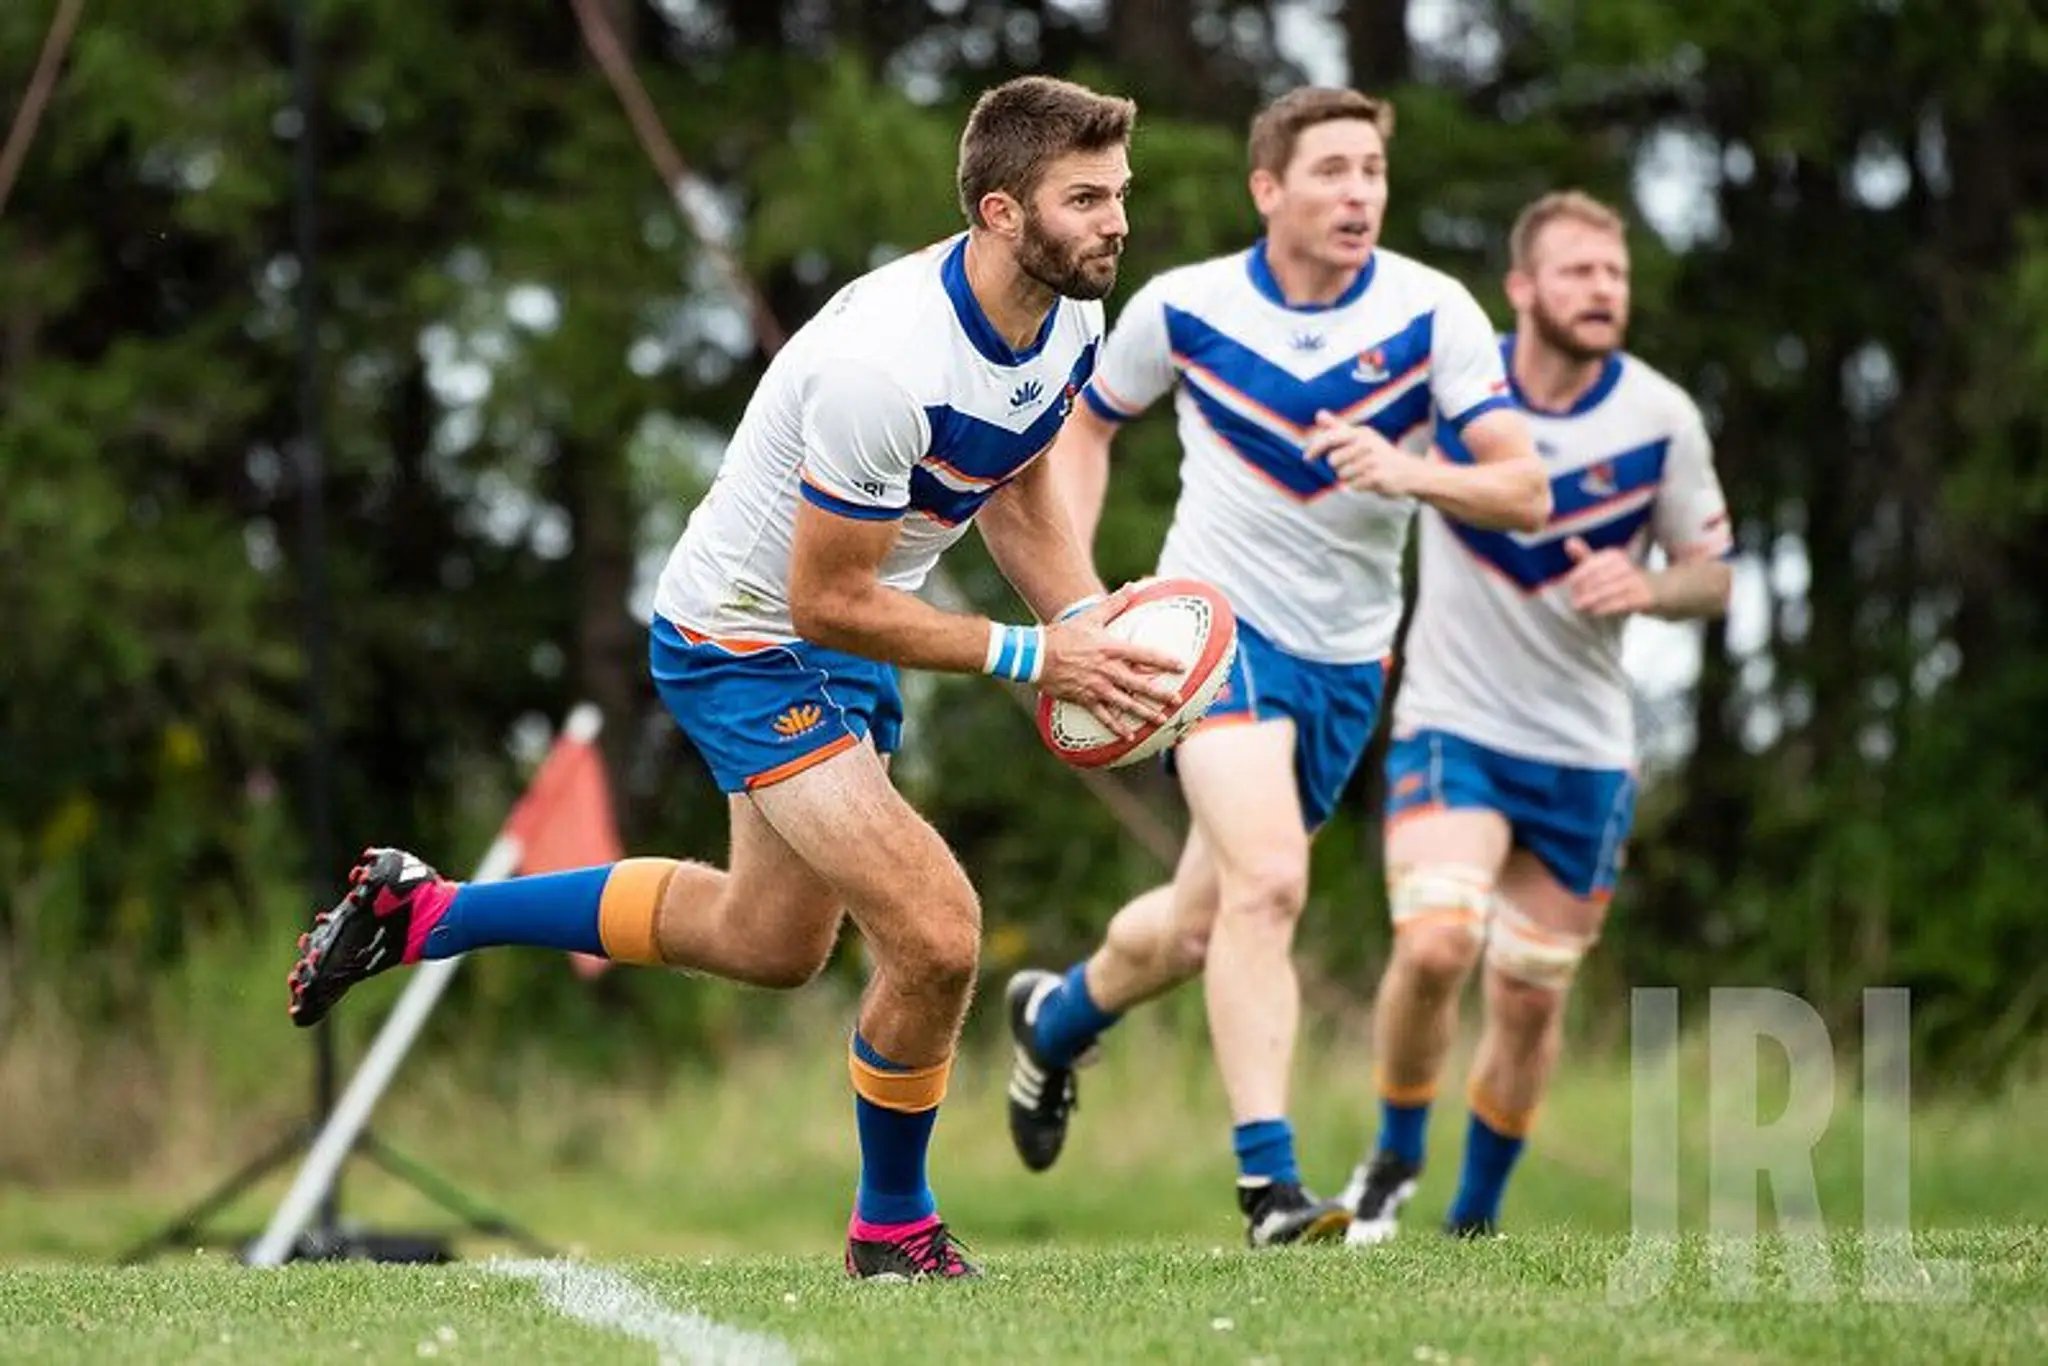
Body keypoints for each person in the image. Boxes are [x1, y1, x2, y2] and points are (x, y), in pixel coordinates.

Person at [284, 75, 1185, 1281]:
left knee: (769, 942)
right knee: (938, 933)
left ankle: (423, 911)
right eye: (1085, 198)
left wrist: (1083, 621)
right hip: (745, 640)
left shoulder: (1069, 314)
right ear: (999, 213)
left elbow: (1017, 484)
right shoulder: (883, 368)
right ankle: (892, 1231)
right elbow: (824, 600)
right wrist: (1032, 655)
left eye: (1118, 193)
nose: (1115, 220)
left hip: (851, 624)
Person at [1000, 86, 1550, 1248]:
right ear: (1267, 189)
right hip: (1212, 639)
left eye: (1372, 172)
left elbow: (1522, 487)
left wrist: (1414, 477)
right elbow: (1086, 428)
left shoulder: (1430, 312)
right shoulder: (1183, 305)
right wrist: (1082, 606)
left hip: (1348, 660)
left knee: (1200, 925)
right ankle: (1270, 1190)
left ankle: (1052, 1024)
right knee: (1269, 890)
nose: (1359, 194)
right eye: (1332, 171)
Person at [1340, 190, 1735, 1243]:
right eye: (1576, 273)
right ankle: (1392, 1157)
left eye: (1613, 275)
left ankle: (1470, 1224)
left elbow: (1714, 578)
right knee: (1434, 944)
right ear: (1519, 290)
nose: (1602, 291)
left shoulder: (1659, 418)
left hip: (1583, 752)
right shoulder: (1454, 397)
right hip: (1449, 723)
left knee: (1527, 998)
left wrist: (1647, 587)